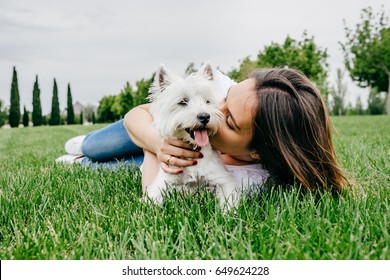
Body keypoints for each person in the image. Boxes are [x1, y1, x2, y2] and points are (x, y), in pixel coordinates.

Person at [57, 67, 348, 195]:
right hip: (148, 130)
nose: (214, 111)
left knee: (106, 168)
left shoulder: (249, 180)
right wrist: (157, 143)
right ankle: (85, 146)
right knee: (96, 148)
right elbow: (139, 114)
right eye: (226, 98)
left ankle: (81, 163)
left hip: (169, 158)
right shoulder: (211, 92)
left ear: (257, 150)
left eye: (229, 119)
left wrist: (158, 159)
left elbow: (154, 190)